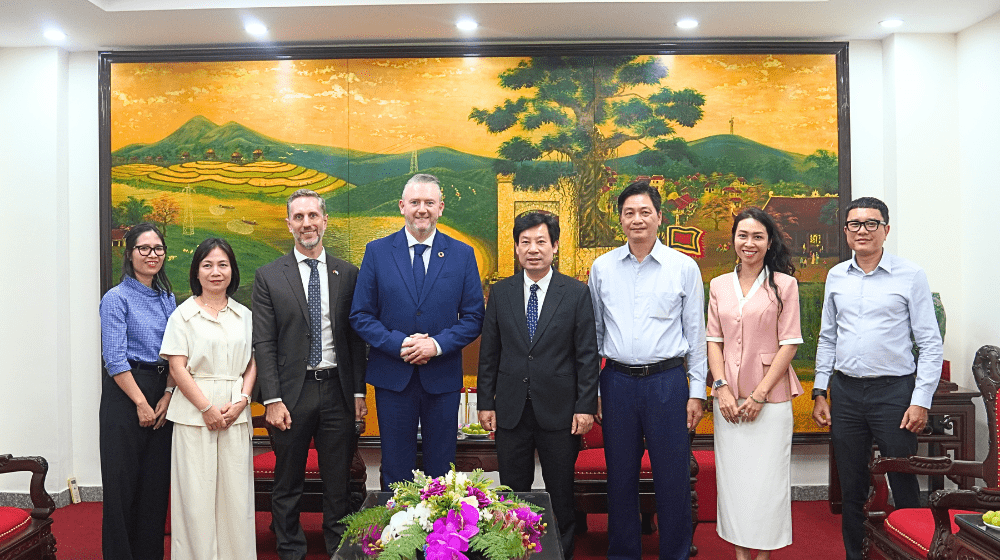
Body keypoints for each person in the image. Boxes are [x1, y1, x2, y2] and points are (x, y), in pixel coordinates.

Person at [811, 196, 943, 560]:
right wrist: (820, 391)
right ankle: (858, 554)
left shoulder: (911, 274)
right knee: (852, 486)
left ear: (886, 229)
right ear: (846, 231)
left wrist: (920, 401)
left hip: (894, 394)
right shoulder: (836, 275)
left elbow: (930, 343)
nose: (863, 230)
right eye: (855, 224)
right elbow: (828, 337)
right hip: (847, 392)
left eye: (872, 223)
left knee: (902, 478)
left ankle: (911, 552)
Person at [589, 180, 707, 560]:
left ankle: (675, 552)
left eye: (644, 212)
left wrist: (697, 392)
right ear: (620, 220)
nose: (636, 219)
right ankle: (623, 552)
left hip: (667, 383)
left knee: (671, 477)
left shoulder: (683, 267)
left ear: (659, 217)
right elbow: (593, 334)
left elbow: (696, 334)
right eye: (629, 213)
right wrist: (594, 391)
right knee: (619, 477)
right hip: (617, 382)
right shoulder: (602, 267)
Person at [252, 189, 368, 559]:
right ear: (289, 224)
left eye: (313, 216)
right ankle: (290, 549)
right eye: (298, 217)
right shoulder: (269, 276)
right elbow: (264, 342)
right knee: (288, 481)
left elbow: (355, 341)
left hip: (337, 390)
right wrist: (271, 398)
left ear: (325, 220)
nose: (307, 223)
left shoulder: (348, 274)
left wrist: (358, 394)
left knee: (338, 481)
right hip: (289, 394)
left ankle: (338, 549)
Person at [477, 212, 600, 560]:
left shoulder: (575, 293)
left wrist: (585, 406)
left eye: (541, 242)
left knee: (561, 495)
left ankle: (562, 553)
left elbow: (587, 355)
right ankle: (515, 553)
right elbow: (490, 353)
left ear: (555, 246)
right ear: (516, 247)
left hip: (561, 412)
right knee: (512, 495)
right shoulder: (500, 293)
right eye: (525, 242)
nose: (533, 249)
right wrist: (486, 403)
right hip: (511, 410)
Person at [350, 173, 485, 488]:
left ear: (441, 207)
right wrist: (401, 345)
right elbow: (360, 315)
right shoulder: (377, 252)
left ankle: (443, 538)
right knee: (396, 472)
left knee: (441, 472)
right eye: (414, 202)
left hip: (442, 379)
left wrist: (435, 345)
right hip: (393, 379)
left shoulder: (462, 254)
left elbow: (474, 316)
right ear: (402, 206)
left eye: (429, 202)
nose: (421, 209)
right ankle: (394, 536)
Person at [706, 208, 804, 560]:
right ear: (733, 239)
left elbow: (790, 342)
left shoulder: (784, 284)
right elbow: (713, 340)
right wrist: (721, 388)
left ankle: (763, 555)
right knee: (734, 483)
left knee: (767, 483)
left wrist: (760, 395)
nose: (749, 243)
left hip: (771, 399)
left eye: (757, 236)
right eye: (742, 235)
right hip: (728, 398)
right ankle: (740, 555)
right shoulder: (718, 285)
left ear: (769, 242)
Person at [160, 237, 256, 560]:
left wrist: (243, 399)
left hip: (234, 412)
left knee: (235, 497)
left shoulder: (245, 315)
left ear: (232, 270)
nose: (216, 272)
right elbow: (177, 366)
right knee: (196, 498)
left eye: (223, 264)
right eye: (208, 265)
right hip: (193, 414)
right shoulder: (182, 315)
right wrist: (205, 407)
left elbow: (252, 362)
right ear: (197, 272)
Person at [99, 222, 176, 560]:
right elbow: (114, 359)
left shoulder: (167, 298)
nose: (151, 254)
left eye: (157, 248)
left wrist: (168, 394)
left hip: (163, 391)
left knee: (154, 488)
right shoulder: (115, 299)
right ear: (129, 255)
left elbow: (178, 352)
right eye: (143, 248)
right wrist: (143, 404)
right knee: (122, 488)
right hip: (127, 393)